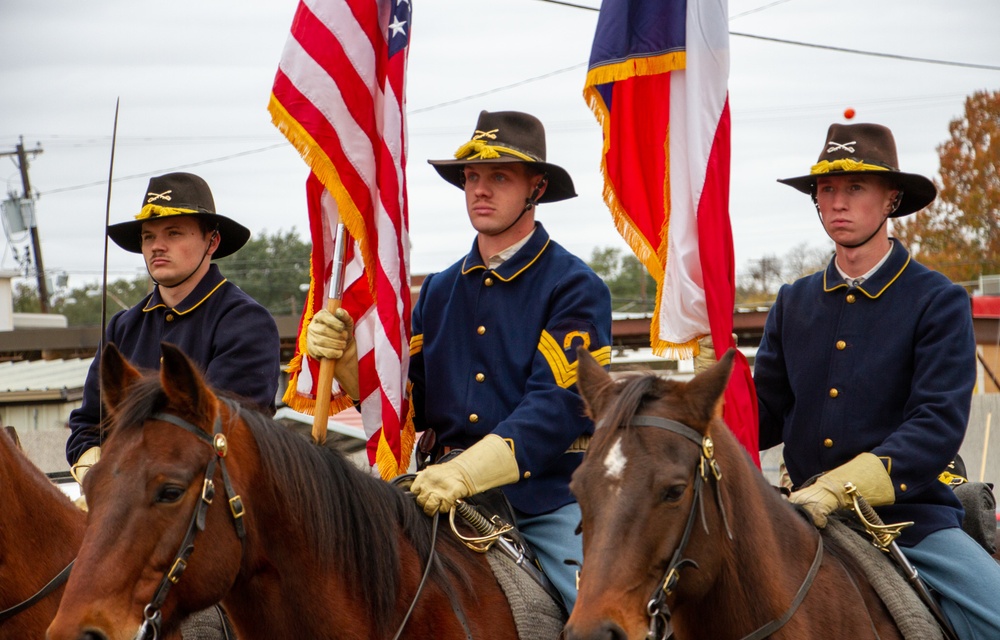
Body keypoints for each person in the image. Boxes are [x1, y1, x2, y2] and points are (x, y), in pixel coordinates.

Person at [306, 110, 613, 612]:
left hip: (541, 500)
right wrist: (346, 366)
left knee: (604, 625)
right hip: (437, 490)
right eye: (471, 178)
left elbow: (556, 407)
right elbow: (414, 404)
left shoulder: (574, 285)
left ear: (536, 189)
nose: (480, 190)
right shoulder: (440, 289)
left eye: (499, 177)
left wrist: (469, 472)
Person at [755, 122, 1000, 640]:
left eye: (855, 188)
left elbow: (935, 424)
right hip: (796, 518)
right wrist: (704, 413)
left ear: (891, 199)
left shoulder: (937, 300)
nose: (837, 202)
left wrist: (841, 487)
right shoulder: (793, 302)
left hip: (910, 523)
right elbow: (764, 414)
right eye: (827, 189)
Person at [66, 172, 281, 483]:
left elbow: (225, 427)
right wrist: (93, 470)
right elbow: (87, 424)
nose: (157, 246)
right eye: (149, 236)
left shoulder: (245, 321)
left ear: (212, 241)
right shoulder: (122, 328)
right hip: (126, 499)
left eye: (174, 233)